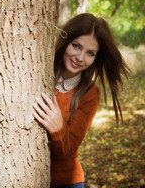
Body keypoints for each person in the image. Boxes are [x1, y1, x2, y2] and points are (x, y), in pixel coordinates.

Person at [33, 13, 130, 188]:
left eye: (90, 53)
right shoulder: (37, 70)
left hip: (65, 182)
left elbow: (68, 152)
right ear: (66, 41)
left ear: (95, 57)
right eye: (76, 46)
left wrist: (58, 128)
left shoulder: (90, 93)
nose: (80, 58)